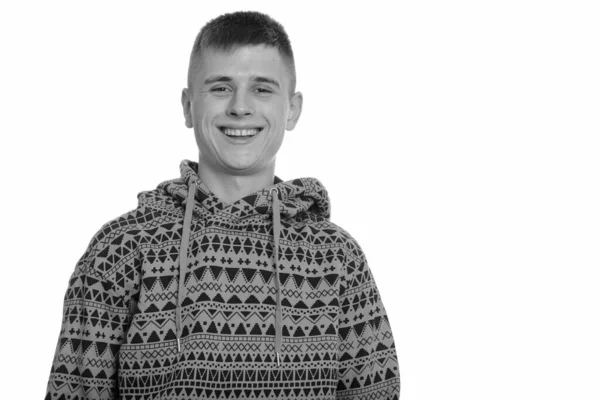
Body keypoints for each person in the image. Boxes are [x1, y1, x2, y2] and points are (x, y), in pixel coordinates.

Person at [45, 10, 400, 400]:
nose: (240, 107)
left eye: (262, 89)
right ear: (187, 106)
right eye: (220, 87)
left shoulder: (337, 259)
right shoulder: (121, 251)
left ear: (292, 109)